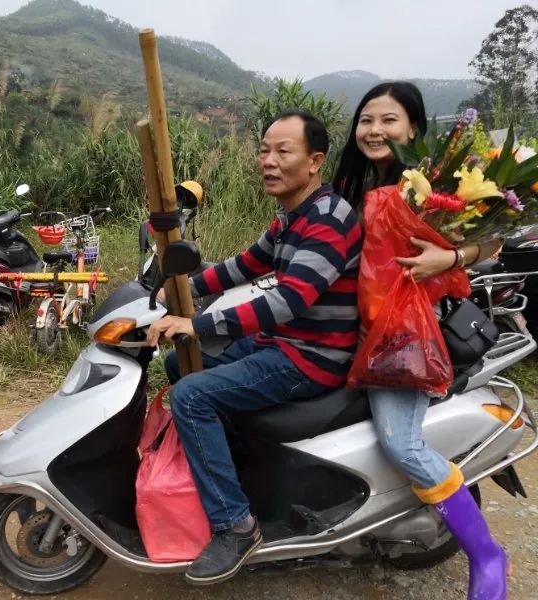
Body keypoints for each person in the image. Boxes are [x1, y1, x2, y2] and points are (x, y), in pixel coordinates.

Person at [147, 110, 362, 585]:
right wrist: (173, 287)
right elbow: (244, 265)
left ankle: (236, 526)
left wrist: (196, 322)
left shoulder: (329, 219)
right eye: (264, 150)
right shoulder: (292, 216)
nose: (268, 160)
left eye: (283, 151)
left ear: (314, 161)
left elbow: (288, 301)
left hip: (310, 359)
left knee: (191, 394)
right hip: (282, 345)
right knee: (177, 364)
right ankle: (239, 464)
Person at [332, 81, 508, 600]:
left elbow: (493, 240)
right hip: (350, 332)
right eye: (366, 119)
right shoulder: (358, 184)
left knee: (401, 443)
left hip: (402, 339)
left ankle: (487, 555)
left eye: (389, 120)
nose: (375, 130)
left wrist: (447, 259)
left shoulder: (430, 186)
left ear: (414, 128)